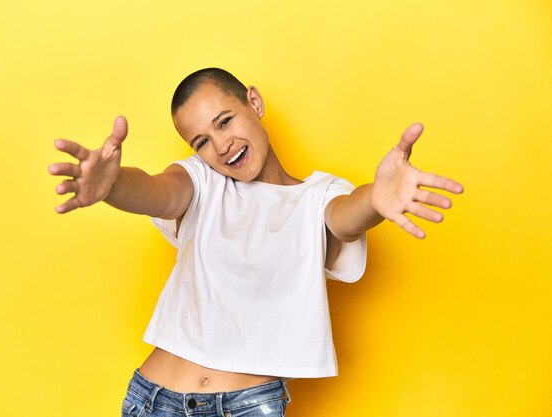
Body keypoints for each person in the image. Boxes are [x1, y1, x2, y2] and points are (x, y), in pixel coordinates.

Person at [48, 68, 463, 417]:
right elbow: (158, 191)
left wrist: (374, 198)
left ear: (255, 103)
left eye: (225, 121)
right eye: (201, 141)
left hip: (247, 407)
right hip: (154, 399)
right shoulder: (202, 181)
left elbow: (344, 216)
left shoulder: (316, 197)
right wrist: (113, 185)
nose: (220, 145)